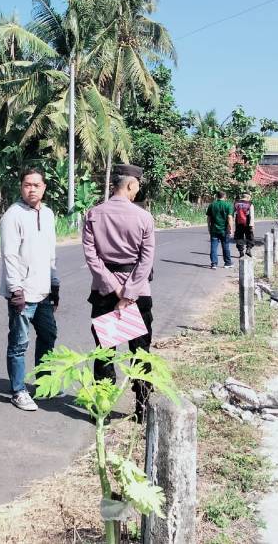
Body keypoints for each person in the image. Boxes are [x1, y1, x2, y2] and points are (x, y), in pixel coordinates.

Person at [82, 163, 156, 421]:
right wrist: (128, 294)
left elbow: (91, 257)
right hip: (137, 293)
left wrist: (113, 288)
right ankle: (143, 408)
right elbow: (146, 260)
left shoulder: (93, 214)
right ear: (130, 185)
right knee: (141, 352)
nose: (137, 192)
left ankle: (102, 408)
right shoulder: (144, 217)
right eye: (137, 187)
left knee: (105, 351)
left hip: (104, 294)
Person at [0, 167, 60, 412]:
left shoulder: (47, 214)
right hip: (22, 292)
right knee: (19, 343)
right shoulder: (12, 216)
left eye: (37, 184)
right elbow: (9, 255)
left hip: (43, 291)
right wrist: (15, 290)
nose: (32, 188)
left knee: (48, 335)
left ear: (44, 187)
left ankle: (44, 383)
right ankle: (18, 391)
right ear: (21, 187)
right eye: (27, 184)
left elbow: (50, 253)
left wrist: (55, 285)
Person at [207, 191, 235, 269]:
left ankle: (214, 263)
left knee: (213, 246)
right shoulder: (228, 205)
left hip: (214, 229)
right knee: (225, 246)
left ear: (217, 196)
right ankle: (227, 263)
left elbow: (208, 217)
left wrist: (208, 227)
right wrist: (231, 229)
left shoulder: (212, 205)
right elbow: (229, 217)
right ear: (224, 196)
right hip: (224, 230)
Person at [233, 192, 255, 258]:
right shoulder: (250, 204)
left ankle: (241, 252)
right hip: (248, 223)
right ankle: (248, 249)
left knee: (239, 237)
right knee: (250, 237)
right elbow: (252, 215)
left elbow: (232, 213)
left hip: (238, 223)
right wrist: (252, 225)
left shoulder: (236, 204)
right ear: (248, 197)